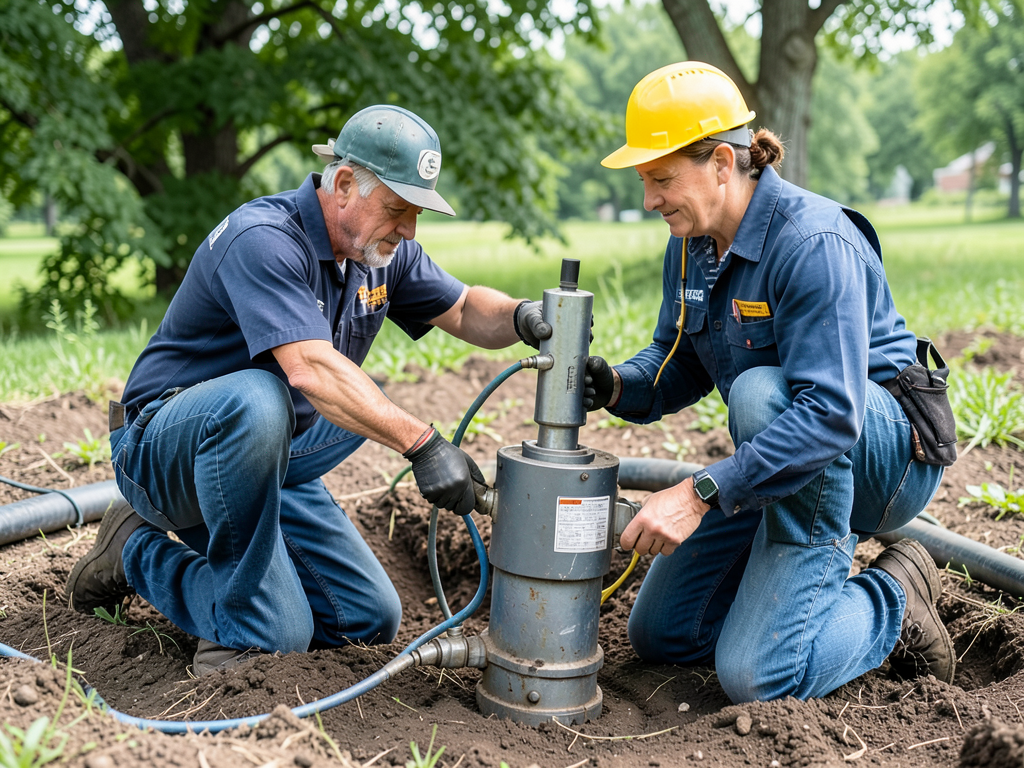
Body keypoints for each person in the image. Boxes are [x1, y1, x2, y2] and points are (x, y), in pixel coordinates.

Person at [65, 105, 551, 676]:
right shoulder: (264, 239)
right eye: (398, 210)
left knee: (367, 617)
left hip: (265, 454)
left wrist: (526, 316)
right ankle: (134, 550)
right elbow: (310, 370)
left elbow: (467, 308)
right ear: (344, 183)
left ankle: (246, 596)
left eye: (417, 214)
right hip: (168, 451)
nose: (410, 230)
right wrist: (422, 444)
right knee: (273, 629)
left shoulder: (378, 255)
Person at [584, 62, 954, 703]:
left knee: (758, 677)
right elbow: (678, 358)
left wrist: (700, 493)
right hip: (795, 457)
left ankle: (893, 593)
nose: (649, 200)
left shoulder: (812, 242)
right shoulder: (694, 244)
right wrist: (616, 385)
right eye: (645, 181)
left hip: (883, 457)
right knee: (663, 633)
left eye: (662, 179)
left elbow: (832, 414)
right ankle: (788, 612)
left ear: (723, 164)